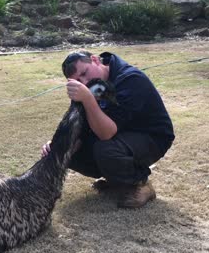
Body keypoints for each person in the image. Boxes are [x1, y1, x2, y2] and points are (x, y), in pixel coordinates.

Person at [41, 50, 174, 208]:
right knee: (65, 152)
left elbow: (106, 133)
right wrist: (59, 145)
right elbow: (81, 128)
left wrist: (88, 99)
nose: (84, 81)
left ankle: (140, 184)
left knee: (105, 149)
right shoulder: (90, 87)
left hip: (151, 136)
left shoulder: (130, 79)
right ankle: (115, 179)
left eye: (85, 72)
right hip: (119, 135)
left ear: (95, 60)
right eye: (78, 81)